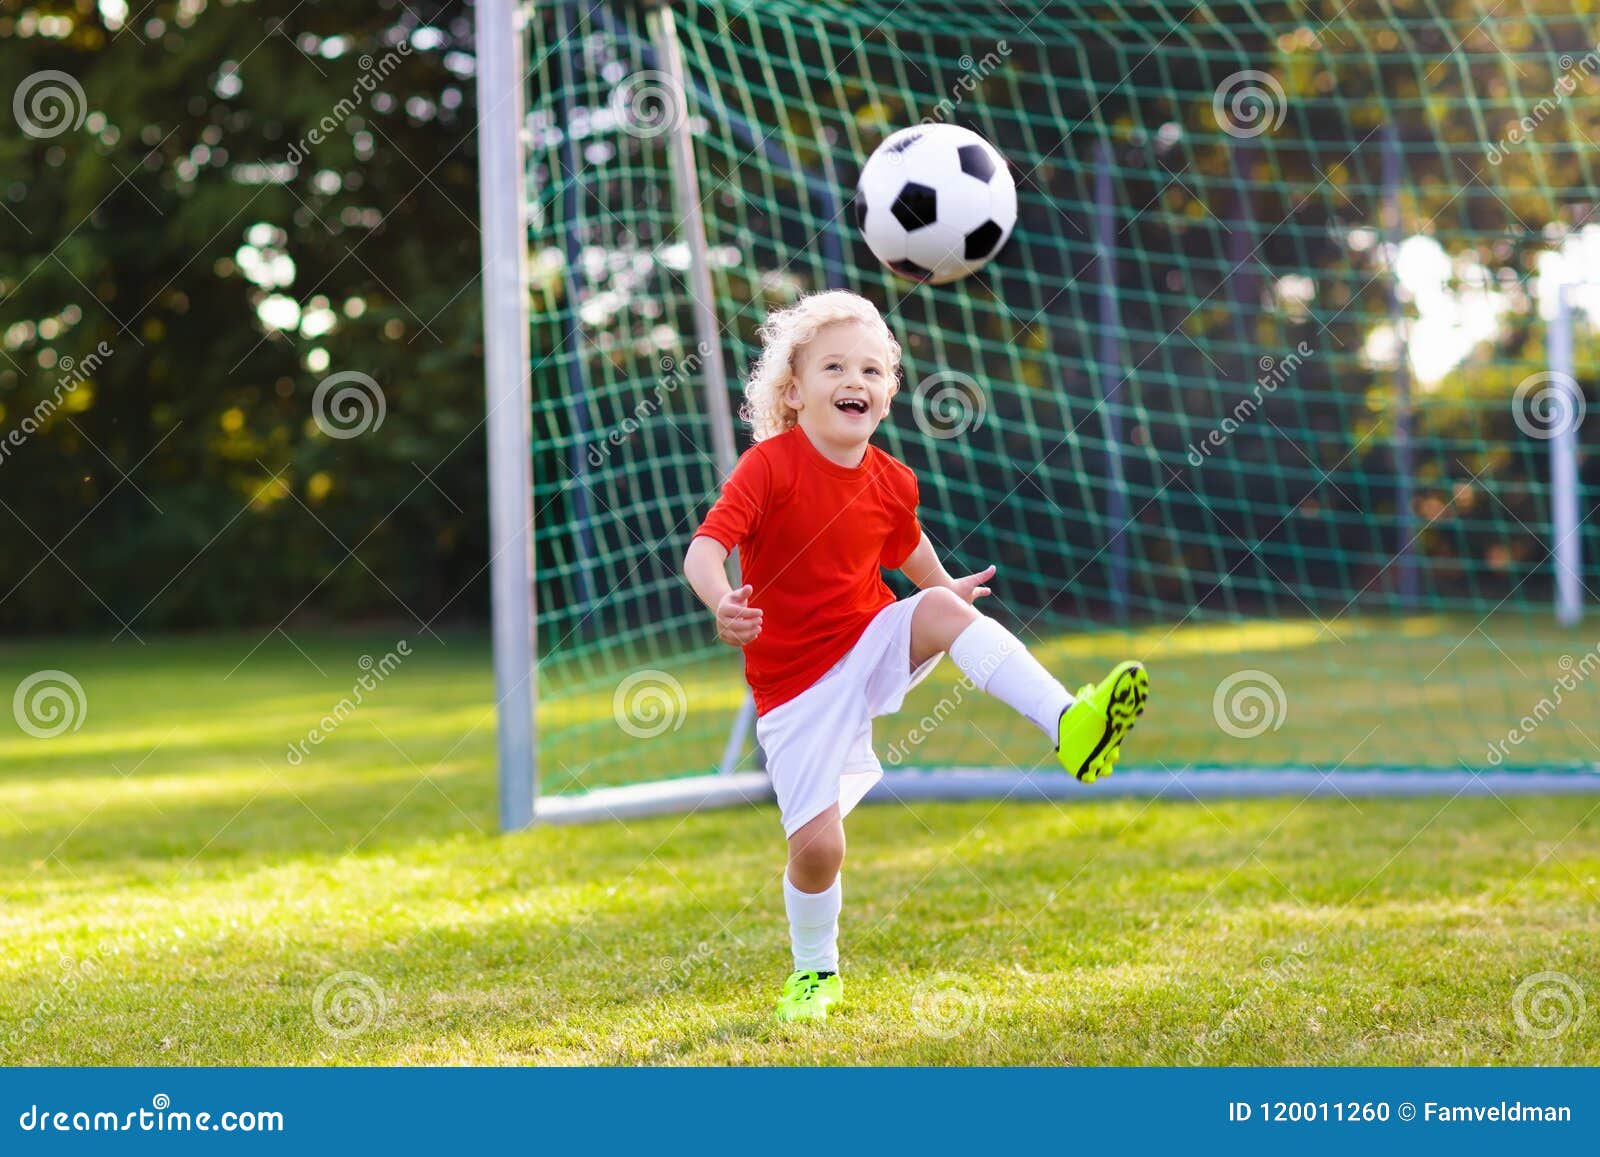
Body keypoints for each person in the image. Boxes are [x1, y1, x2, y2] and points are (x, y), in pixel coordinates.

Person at [681, 290, 1148, 1023]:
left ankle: (1072, 723)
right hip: (794, 689)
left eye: (871, 369)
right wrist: (722, 600)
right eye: (834, 366)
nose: (854, 380)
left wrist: (943, 591)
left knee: (936, 609)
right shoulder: (768, 467)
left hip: (864, 644)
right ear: (795, 389)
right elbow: (704, 548)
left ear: (889, 391)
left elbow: (909, 545)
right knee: (819, 850)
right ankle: (815, 971)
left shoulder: (893, 479)